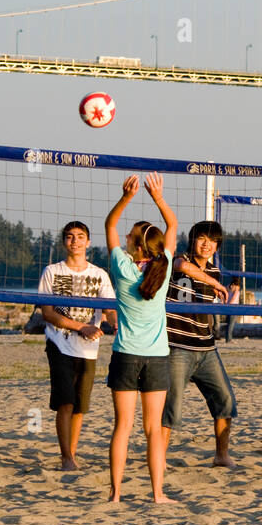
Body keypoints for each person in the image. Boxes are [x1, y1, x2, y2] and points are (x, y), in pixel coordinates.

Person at [104, 173, 178, 504]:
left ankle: (116, 493)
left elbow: (109, 225)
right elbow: (173, 226)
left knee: (123, 427)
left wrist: (126, 196)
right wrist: (158, 197)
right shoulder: (164, 266)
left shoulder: (121, 265)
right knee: (153, 430)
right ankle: (158, 493)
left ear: (133, 246)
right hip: (157, 356)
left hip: (125, 354)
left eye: (130, 237)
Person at [38, 221, 117, 471]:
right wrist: (80, 326)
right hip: (59, 343)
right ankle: (66, 458)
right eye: (70, 237)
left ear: (88, 242)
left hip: (88, 348)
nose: (75, 241)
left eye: (80, 237)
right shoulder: (52, 271)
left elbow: (110, 310)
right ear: (64, 242)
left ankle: (72, 452)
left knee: (80, 406)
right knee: (66, 402)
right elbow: (48, 313)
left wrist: (117, 324)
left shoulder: (99, 274)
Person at [162, 219, 237, 470]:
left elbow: (205, 306)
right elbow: (184, 267)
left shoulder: (215, 271)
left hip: (206, 347)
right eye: (202, 239)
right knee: (172, 406)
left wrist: (223, 293)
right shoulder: (177, 261)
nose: (207, 245)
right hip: (178, 345)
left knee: (225, 399)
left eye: (212, 241)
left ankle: (221, 455)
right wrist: (216, 285)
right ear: (192, 240)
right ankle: (159, 458)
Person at [223, 278, 241, 343]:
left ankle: (228, 338)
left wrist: (225, 303)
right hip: (233, 308)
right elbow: (234, 298)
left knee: (228, 324)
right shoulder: (236, 290)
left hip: (228, 307)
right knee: (231, 324)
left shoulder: (228, 287)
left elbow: (224, 290)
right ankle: (229, 339)